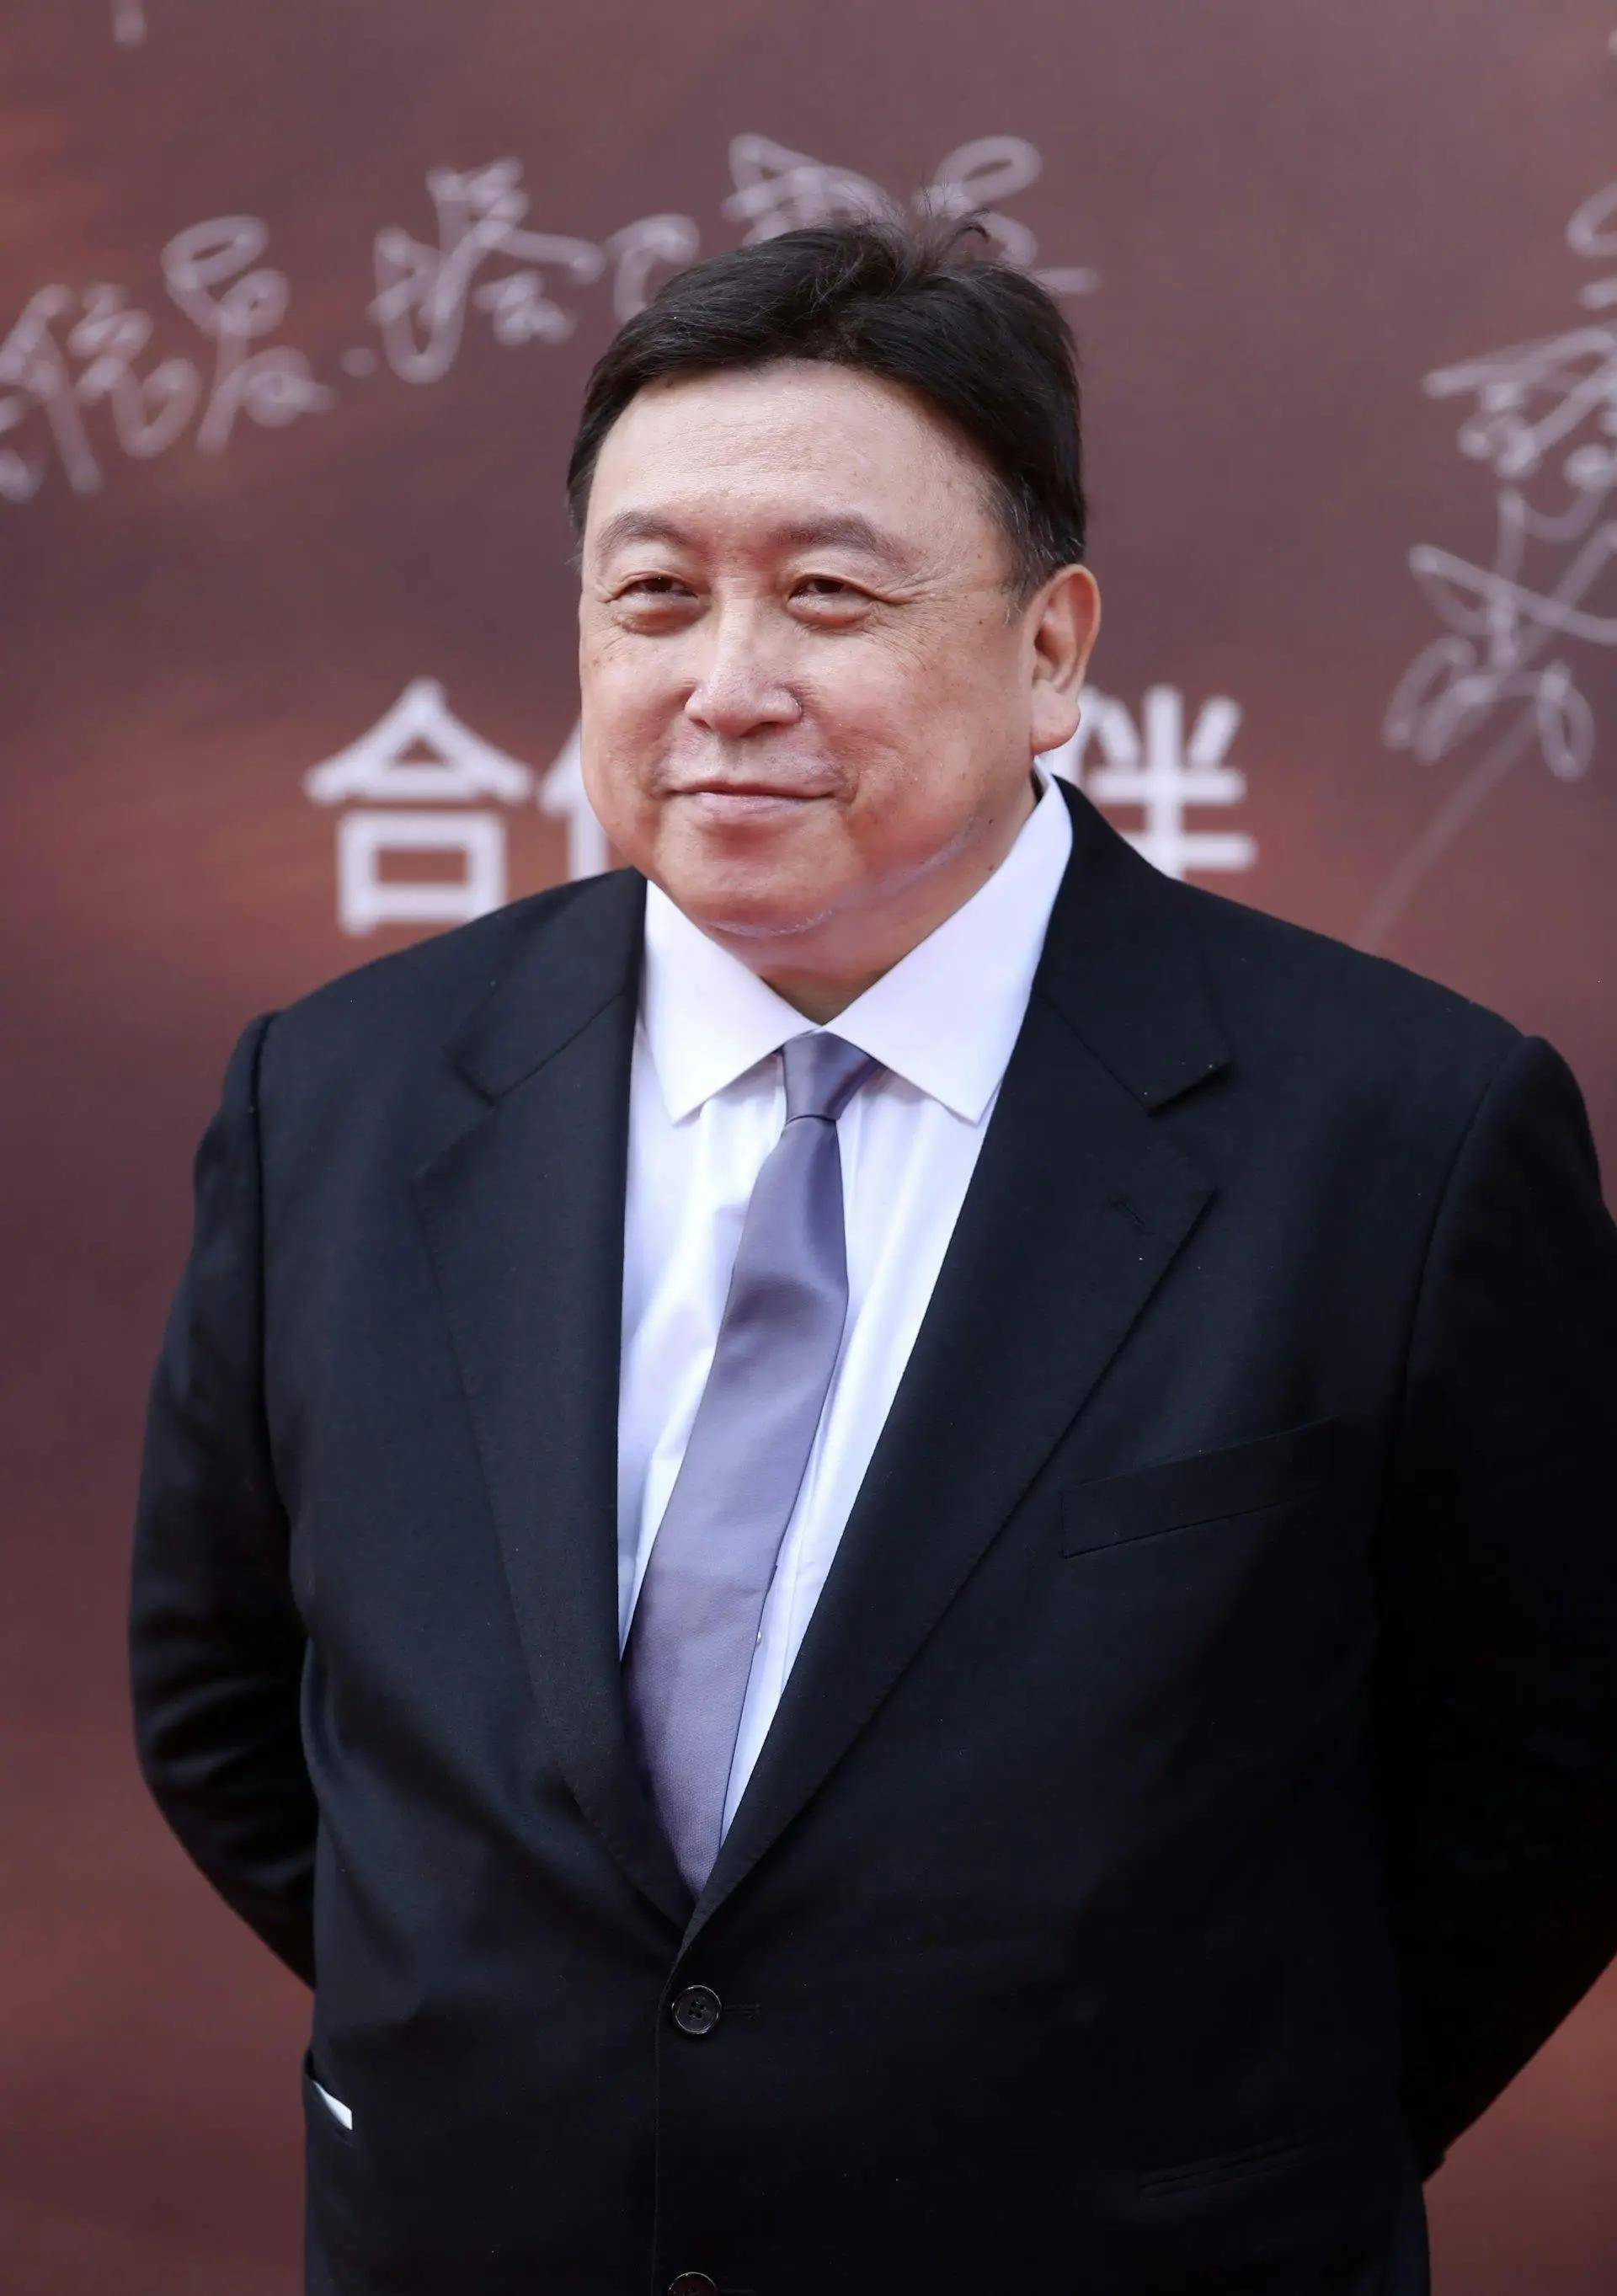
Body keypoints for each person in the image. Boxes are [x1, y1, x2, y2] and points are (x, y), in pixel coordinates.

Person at [129, 213, 1617, 2296]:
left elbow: (1552, 1776)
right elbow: (228, 1698)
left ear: (1052, 652)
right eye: (655, 597)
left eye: (827, 595)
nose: (728, 685)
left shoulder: (1403, 1136)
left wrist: (1228, 2131)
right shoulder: (347, 1096)